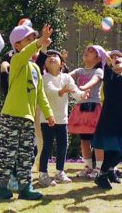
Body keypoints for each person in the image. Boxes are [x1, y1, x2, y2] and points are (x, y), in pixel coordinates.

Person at [0, 24, 54, 201]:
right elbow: (27, 53)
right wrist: (41, 41)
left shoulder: (35, 69)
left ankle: (26, 187)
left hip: (27, 118)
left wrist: (49, 114)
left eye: (33, 40)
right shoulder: (17, 60)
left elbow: (40, 93)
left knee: (26, 154)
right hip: (11, 116)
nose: (33, 43)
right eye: (28, 40)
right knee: (7, 154)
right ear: (17, 46)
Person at [38, 49, 85, 187]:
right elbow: (50, 91)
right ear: (45, 64)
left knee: (62, 146)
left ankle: (59, 172)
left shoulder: (67, 78)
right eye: (49, 57)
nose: (52, 58)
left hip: (62, 120)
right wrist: (61, 91)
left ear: (62, 64)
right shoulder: (44, 78)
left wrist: (82, 95)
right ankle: (43, 174)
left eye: (55, 56)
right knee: (47, 146)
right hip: (46, 119)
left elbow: (75, 91)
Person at [91, 49, 122, 190]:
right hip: (109, 121)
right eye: (113, 58)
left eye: (119, 58)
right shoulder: (109, 76)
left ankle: (109, 172)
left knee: (117, 153)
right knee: (118, 152)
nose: (116, 58)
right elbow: (108, 69)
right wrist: (108, 63)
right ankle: (102, 174)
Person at [67, 45, 105, 178]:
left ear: (98, 58)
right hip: (81, 108)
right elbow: (65, 77)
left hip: (94, 108)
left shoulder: (99, 71)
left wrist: (82, 88)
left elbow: (94, 81)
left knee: (98, 141)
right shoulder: (79, 70)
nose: (86, 52)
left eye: (91, 51)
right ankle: (88, 167)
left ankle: (99, 169)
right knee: (84, 140)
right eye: (86, 50)